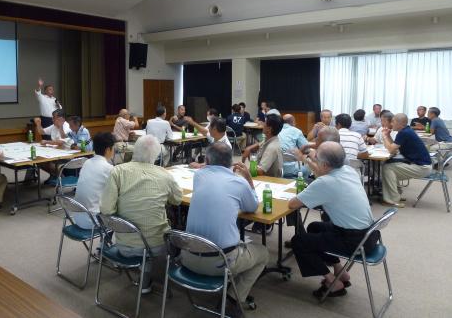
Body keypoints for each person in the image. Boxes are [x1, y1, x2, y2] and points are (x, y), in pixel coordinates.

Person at [182, 143, 269, 316]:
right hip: (220, 263)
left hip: (187, 257)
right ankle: (233, 298)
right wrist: (249, 181)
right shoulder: (239, 182)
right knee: (264, 253)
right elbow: (252, 207)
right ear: (231, 161)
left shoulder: (199, 176)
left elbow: (207, 169)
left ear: (206, 160)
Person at [288, 142, 377, 299]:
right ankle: (339, 271)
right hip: (369, 235)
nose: (313, 156)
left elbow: (292, 204)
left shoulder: (326, 183)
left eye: (316, 157)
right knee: (315, 227)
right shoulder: (349, 170)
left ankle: (332, 283)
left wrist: (306, 160)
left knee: (298, 241)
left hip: (353, 241)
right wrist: (306, 159)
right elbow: (323, 173)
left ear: (325, 164)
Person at [100, 135, 183, 292]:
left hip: (124, 244)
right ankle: (160, 275)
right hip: (156, 246)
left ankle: (145, 275)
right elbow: (177, 200)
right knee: (175, 228)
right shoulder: (165, 175)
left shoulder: (117, 171)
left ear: (134, 150)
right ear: (157, 156)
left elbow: (106, 210)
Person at [381, 113, 432, 208]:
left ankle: (392, 200)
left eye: (393, 122)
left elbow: (392, 149)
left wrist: (384, 136)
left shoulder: (404, 133)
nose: (391, 124)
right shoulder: (405, 131)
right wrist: (388, 135)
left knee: (387, 168)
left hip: (422, 167)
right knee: (389, 164)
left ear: (400, 123)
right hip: (421, 165)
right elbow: (394, 147)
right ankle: (395, 195)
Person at [73, 132, 115, 229]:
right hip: (93, 221)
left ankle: (105, 242)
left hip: (77, 217)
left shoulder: (87, 162)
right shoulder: (109, 168)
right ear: (108, 149)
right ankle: (105, 243)